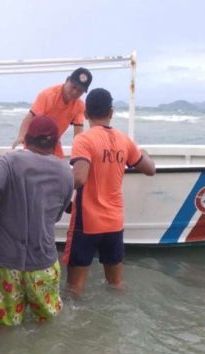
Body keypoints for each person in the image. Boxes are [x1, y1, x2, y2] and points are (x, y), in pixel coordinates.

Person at [0, 116, 74, 326]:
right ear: (56, 144)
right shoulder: (66, 171)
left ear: (26, 141)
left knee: (5, 328)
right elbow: (58, 213)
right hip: (44, 264)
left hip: (6, 265)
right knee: (47, 328)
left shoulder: (10, 161)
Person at [63, 88, 156, 296]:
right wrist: (144, 154)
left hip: (87, 223)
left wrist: (55, 193)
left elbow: (78, 178)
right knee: (116, 284)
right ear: (111, 112)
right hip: (114, 222)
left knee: (74, 289)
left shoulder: (84, 140)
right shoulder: (124, 140)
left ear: (86, 114)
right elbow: (150, 169)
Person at [11, 67, 92, 158]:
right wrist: (21, 137)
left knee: (62, 168)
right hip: (35, 141)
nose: (75, 92)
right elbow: (30, 117)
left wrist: (81, 150)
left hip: (54, 142)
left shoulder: (80, 105)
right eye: (73, 87)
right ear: (67, 80)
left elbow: (78, 133)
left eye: (80, 91)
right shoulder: (47, 95)